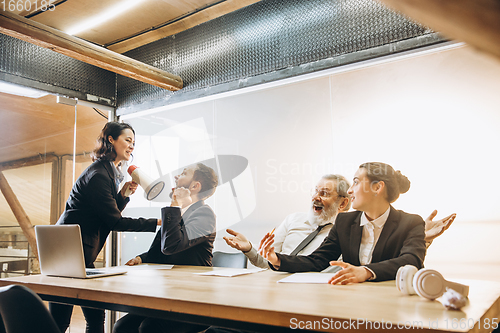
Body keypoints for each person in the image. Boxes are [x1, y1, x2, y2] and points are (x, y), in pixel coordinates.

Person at [51, 122, 161, 333]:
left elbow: (104, 214)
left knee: (95, 316)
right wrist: (156, 222)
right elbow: (115, 221)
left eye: (134, 143)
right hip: (68, 254)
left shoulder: (108, 171)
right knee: (61, 322)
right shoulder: (99, 175)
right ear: (111, 139)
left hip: (80, 253)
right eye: (128, 140)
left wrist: (122, 196)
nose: (132, 146)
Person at [261, 162, 427, 284]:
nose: (349, 190)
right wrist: (277, 259)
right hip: (350, 299)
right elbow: (317, 260)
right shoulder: (344, 221)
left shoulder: (411, 222)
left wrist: (366, 272)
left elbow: (411, 260)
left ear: (377, 188)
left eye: (356, 182)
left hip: (390, 302)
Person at [113, 163, 218, 333]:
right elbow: (159, 251)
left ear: (195, 186)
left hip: (193, 300)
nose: (176, 176)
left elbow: (171, 246)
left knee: (149, 328)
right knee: (121, 327)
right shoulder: (177, 212)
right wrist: (141, 258)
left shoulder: (204, 215)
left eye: (184, 173)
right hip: (170, 295)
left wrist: (175, 206)